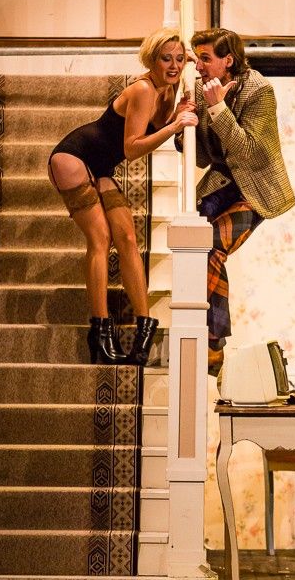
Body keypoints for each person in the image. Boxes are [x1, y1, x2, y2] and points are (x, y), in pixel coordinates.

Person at [48, 28, 198, 366]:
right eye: (166, 59)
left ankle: (145, 328)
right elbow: (132, 149)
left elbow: (157, 121)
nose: (174, 65)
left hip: (100, 165)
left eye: (179, 59)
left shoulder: (167, 88)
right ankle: (100, 332)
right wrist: (174, 126)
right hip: (73, 157)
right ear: (152, 60)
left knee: (128, 238)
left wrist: (183, 82)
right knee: (100, 238)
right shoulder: (144, 89)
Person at [175, 28, 295, 375]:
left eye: (205, 58)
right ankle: (205, 334)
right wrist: (182, 127)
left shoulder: (259, 91)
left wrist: (218, 107)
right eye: (197, 58)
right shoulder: (201, 88)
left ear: (228, 60)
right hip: (223, 182)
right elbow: (201, 156)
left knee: (212, 246)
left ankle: (213, 343)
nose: (198, 66)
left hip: (254, 187)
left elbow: (250, 152)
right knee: (192, 244)